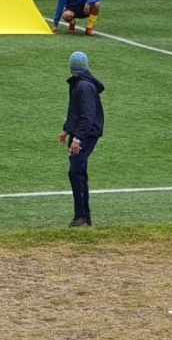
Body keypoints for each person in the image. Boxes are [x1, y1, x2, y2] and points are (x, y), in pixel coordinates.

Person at [59, 50, 104, 228]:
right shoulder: (82, 84)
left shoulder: (82, 87)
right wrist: (67, 129)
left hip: (85, 135)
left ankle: (81, 216)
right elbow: (76, 111)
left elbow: (86, 116)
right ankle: (85, 216)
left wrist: (77, 139)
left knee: (76, 172)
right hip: (83, 133)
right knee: (79, 172)